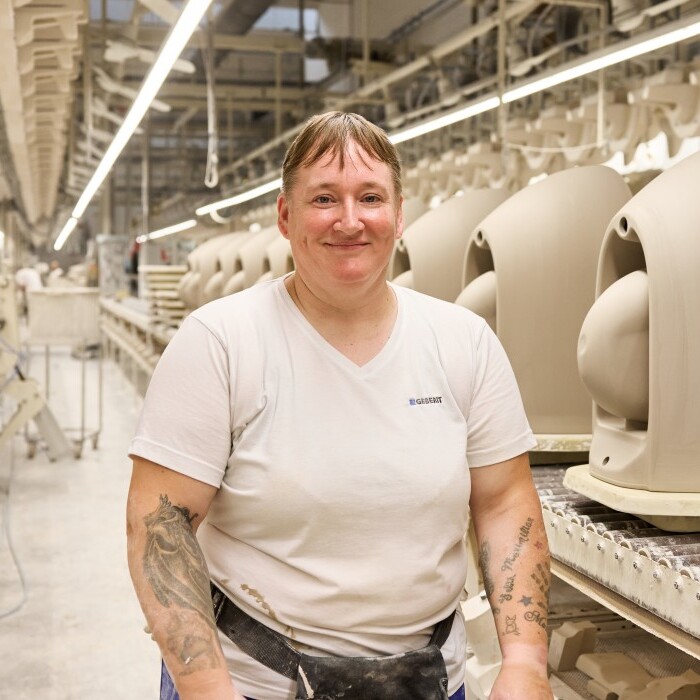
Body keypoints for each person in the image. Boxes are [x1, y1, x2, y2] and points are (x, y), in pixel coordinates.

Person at [126, 112, 553, 700]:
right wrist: (204, 687)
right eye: (324, 198)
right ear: (285, 216)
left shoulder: (463, 342)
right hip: (253, 686)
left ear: (399, 215)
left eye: (370, 197)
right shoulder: (221, 342)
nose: (350, 221)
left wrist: (526, 662)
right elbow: (160, 525)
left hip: (427, 682)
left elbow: (505, 502)